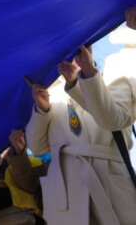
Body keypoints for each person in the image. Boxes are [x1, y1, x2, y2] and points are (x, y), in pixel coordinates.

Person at [25, 46, 135, 224]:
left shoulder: (115, 79)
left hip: (109, 181)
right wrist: (42, 109)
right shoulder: (51, 95)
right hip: (67, 189)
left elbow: (112, 119)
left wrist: (78, 82)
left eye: (78, 51)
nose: (73, 57)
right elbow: (36, 147)